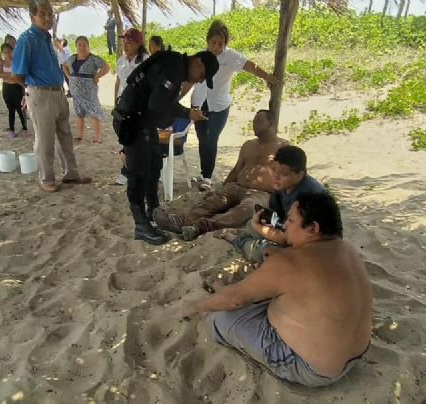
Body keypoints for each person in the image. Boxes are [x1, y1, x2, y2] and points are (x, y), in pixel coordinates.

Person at [181, 192, 372, 387]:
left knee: (218, 320)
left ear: (313, 228)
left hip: (312, 369)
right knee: (270, 291)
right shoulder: (348, 250)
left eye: (290, 220)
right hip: (355, 354)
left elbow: (234, 300)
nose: (285, 225)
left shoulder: (289, 263)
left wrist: (195, 306)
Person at [114, 49, 218, 244]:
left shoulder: (176, 66)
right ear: (197, 63)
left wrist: (185, 113)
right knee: (139, 172)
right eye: (202, 76)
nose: (198, 81)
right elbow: (157, 104)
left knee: (154, 164)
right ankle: (140, 225)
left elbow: (158, 104)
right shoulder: (174, 69)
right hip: (132, 120)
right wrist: (187, 113)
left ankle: (154, 211)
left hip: (143, 120)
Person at [153, 109, 288, 241]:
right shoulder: (249, 145)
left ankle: (200, 227)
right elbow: (236, 170)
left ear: (271, 123)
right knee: (213, 202)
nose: (254, 124)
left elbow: (289, 176)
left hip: (261, 193)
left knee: (244, 210)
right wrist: (222, 189)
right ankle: (179, 221)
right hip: (237, 186)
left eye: (258, 121)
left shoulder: (283, 148)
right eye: (253, 121)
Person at [188, 20, 278, 191]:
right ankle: (202, 172)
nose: (215, 47)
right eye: (213, 42)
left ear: (225, 44)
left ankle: (207, 177)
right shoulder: (199, 57)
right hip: (199, 103)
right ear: (207, 41)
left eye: (220, 44)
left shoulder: (231, 57)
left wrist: (266, 76)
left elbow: (250, 66)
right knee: (201, 139)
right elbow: (189, 80)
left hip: (219, 106)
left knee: (211, 139)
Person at [12, 0, 91, 193]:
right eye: (43, 14)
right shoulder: (27, 39)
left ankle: (70, 174)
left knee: (65, 135)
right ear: (32, 17)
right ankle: (46, 178)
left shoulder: (47, 37)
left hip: (58, 92)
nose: (48, 18)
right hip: (41, 94)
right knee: (45, 139)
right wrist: (31, 90)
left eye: (50, 14)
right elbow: (17, 74)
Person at [221, 145, 327, 263]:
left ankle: (239, 241)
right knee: (252, 224)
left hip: (311, 248)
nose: (276, 176)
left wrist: (258, 226)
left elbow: (285, 238)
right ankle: (246, 234)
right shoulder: (283, 185)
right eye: (274, 169)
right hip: (292, 231)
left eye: (284, 173)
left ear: (300, 174)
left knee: (263, 250)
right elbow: (277, 217)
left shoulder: (307, 197)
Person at [114, 28, 150, 186]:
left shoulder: (146, 61)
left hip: (139, 108)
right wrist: (115, 100)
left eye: (129, 42)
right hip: (123, 107)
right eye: (124, 41)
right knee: (126, 139)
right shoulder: (120, 61)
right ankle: (127, 170)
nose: (125, 44)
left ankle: (130, 171)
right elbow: (118, 81)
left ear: (138, 44)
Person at [65, 36, 109, 144]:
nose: (82, 47)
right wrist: (69, 76)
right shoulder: (72, 58)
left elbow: (106, 67)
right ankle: (80, 135)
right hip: (75, 91)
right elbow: (64, 66)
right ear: (76, 47)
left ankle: (98, 137)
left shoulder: (93, 58)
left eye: (84, 44)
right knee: (79, 113)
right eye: (79, 45)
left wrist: (97, 76)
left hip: (89, 91)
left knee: (94, 112)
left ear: (88, 46)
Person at [0, 43, 29, 139]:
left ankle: (25, 128)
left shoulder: (16, 62)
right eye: (5, 52)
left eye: (9, 52)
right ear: (2, 53)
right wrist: (10, 75)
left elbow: (18, 74)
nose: (8, 54)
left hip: (17, 87)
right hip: (7, 88)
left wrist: (8, 75)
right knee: (11, 109)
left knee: (20, 108)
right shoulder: (1, 63)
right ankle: (11, 130)